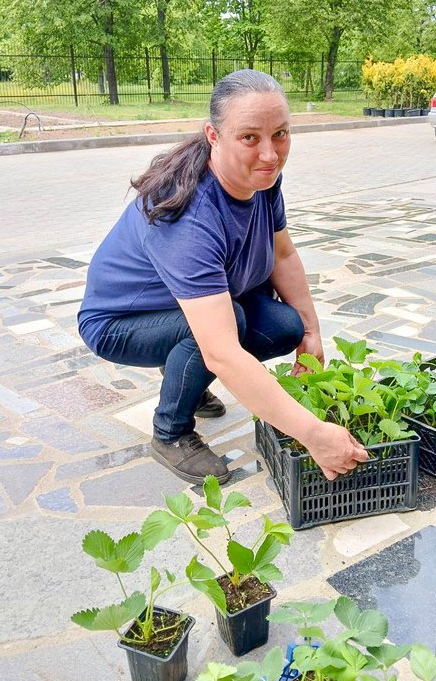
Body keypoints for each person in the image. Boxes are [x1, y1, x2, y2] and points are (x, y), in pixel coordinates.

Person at [78, 69, 368, 485]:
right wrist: (314, 434)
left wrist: (312, 333)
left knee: (287, 327)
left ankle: (185, 380)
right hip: (120, 324)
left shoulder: (262, 179)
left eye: (281, 134)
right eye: (250, 137)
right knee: (221, 332)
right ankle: (170, 433)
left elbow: (283, 253)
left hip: (187, 305)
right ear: (213, 136)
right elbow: (221, 352)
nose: (270, 154)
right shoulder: (187, 215)